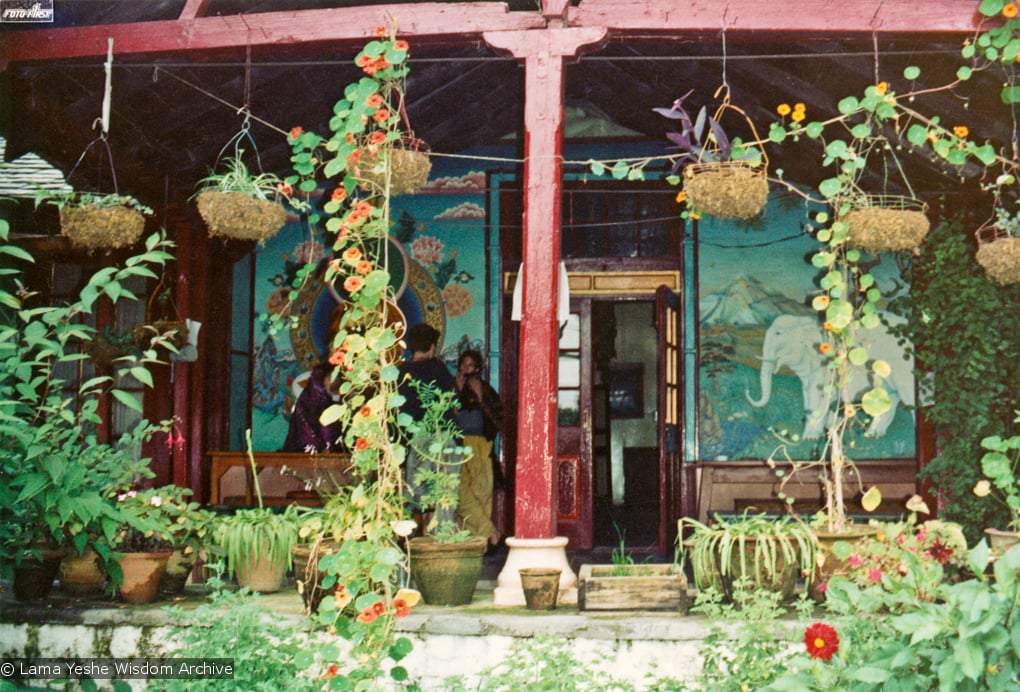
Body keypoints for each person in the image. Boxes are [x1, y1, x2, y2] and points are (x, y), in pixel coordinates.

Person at [397, 323, 460, 528]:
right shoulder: (438, 368)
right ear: (432, 347)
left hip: (417, 438)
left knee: (414, 490)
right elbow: (454, 401)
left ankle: (405, 536)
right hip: (444, 436)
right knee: (446, 490)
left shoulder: (401, 372)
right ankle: (442, 535)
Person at [455, 349, 504, 552]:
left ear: (478, 368)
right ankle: (489, 532)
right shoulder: (453, 385)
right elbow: (449, 413)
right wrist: (457, 391)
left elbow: (497, 419)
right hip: (457, 443)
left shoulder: (484, 388)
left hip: (480, 443)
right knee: (461, 492)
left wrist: (480, 397)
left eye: (471, 365)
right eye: (463, 364)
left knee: (481, 491)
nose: (466, 368)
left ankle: (479, 544)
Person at [282, 362, 343, 453]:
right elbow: (303, 437)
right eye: (330, 377)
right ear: (320, 380)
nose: (335, 381)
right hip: (303, 456)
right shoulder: (306, 403)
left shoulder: (336, 403)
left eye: (336, 377)